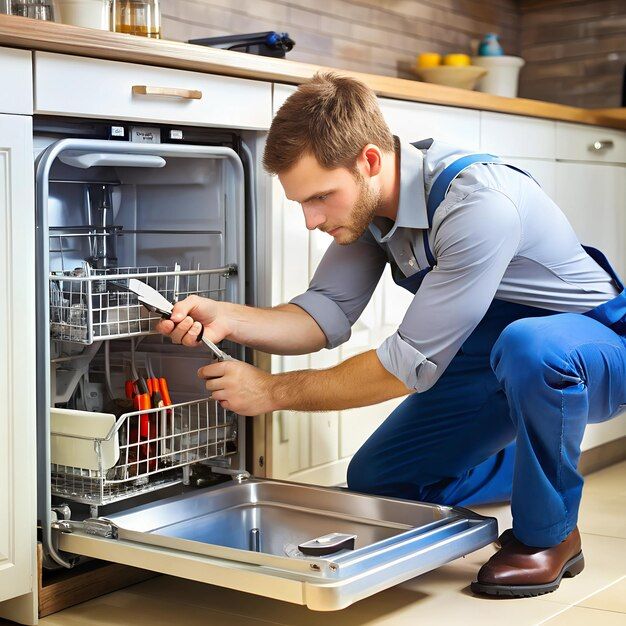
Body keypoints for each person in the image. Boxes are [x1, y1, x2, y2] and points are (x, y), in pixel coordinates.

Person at [156, 72, 626, 598]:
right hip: (492, 360)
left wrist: (270, 392)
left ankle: (551, 536)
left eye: (320, 198)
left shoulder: (477, 205)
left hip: (594, 349)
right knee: (378, 481)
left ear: (370, 161)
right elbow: (325, 314)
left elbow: (406, 364)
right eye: (300, 204)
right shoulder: (371, 209)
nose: (311, 220)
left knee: (530, 347)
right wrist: (227, 316)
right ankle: (527, 463)